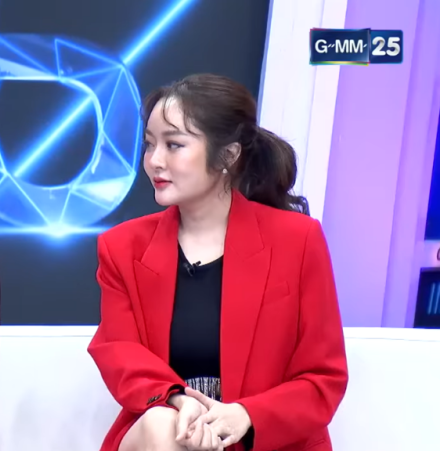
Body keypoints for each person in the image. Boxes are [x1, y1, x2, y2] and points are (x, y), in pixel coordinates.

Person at [88, 74, 348, 451]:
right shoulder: (122, 247)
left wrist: (245, 415)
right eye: (149, 145)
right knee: (163, 425)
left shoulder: (298, 239)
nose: (154, 161)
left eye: (173, 145)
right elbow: (119, 351)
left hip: (265, 439)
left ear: (228, 155)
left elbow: (323, 377)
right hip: (169, 432)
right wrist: (181, 401)